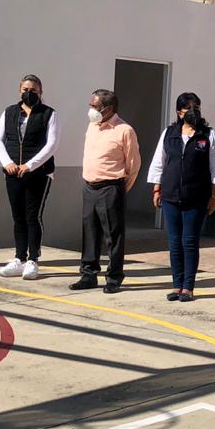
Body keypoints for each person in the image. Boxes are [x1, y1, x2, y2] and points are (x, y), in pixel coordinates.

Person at [148, 92, 215, 302]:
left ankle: (188, 287)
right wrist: (157, 189)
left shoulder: (207, 134)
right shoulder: (169, 133)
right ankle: (176, 284)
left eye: (196, 108)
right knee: (174, 241)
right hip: (171, 195)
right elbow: (159, 162)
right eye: (188, 109)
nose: (192, 112)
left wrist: (214, 196)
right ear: (179, 112)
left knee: (189, 241)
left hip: (197, 196)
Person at [70, 89, 140, 293]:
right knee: (90, 232)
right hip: (90, 186)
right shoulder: (92, 126)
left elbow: (133, 165)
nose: (91, 109)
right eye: (91, 105)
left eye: (95, 106)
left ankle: (114, 278)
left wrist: (119, 188)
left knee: (113, 235)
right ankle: (88, 274)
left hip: (111, 187)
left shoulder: (124, 130)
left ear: (108, 108)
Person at [0, 74, 59, 281]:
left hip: (39, 173)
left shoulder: (48, 114)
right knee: (18, 216)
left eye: (33, 90)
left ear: (40, 92)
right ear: (19, 90)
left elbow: (51, 144)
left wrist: (29, 165)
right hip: (13, 172)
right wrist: (8, 163)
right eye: (25, 90)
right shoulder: (9, 112)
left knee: (33, 216)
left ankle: (33, 260)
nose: (28, 93)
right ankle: (19, 258)